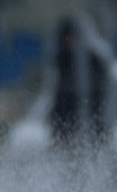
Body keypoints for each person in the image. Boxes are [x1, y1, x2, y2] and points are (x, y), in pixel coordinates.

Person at [47, 16, 112, 149]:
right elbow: (57, 94)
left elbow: (100, 93)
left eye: (71, 38)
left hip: (92, 119)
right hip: (66, 121)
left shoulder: (93, 61)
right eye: (66, 38)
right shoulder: (61, 61)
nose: (69, 42)